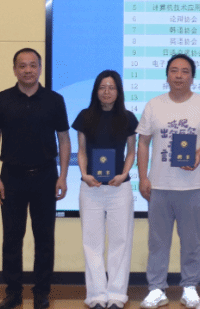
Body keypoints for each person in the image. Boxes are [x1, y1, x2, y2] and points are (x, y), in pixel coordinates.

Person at [137, 54, 200, 309]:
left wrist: (198, 153)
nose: (179, 76)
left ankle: (190, 287)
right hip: (159, 186)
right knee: (157, 242)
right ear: (167, 75)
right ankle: (156, 289)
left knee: (191, 242)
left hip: (192, 186)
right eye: (174, 70)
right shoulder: (154, 105)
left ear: (192, 77)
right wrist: (143, 177)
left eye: (185, 71)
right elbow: (143, 143)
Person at [0, 47, 71, 309]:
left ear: (40, 69)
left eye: (33, 65)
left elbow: (64, 140)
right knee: (12, 238)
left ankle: (41, 292)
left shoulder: (54, 100)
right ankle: (13, 292)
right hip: (11, 177)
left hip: (46, 176)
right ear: (14, 70)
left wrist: (63, 176)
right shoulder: (0, 100)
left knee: (44, 238)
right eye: (22, 66)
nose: (28, 70)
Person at [74, 70, 139, 309]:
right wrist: (84, 174)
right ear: (96, 90)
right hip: (90, 187)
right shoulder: (85, 116)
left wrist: (123, 174)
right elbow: (81, 150)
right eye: (102, 87)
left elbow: (131, 151)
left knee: (121, 241)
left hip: (119, 187)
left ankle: (116, 295)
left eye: (112, 87)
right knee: (91, 242)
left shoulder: (128, 118)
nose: (107, 92)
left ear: (118, 91)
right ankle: (96, 295)